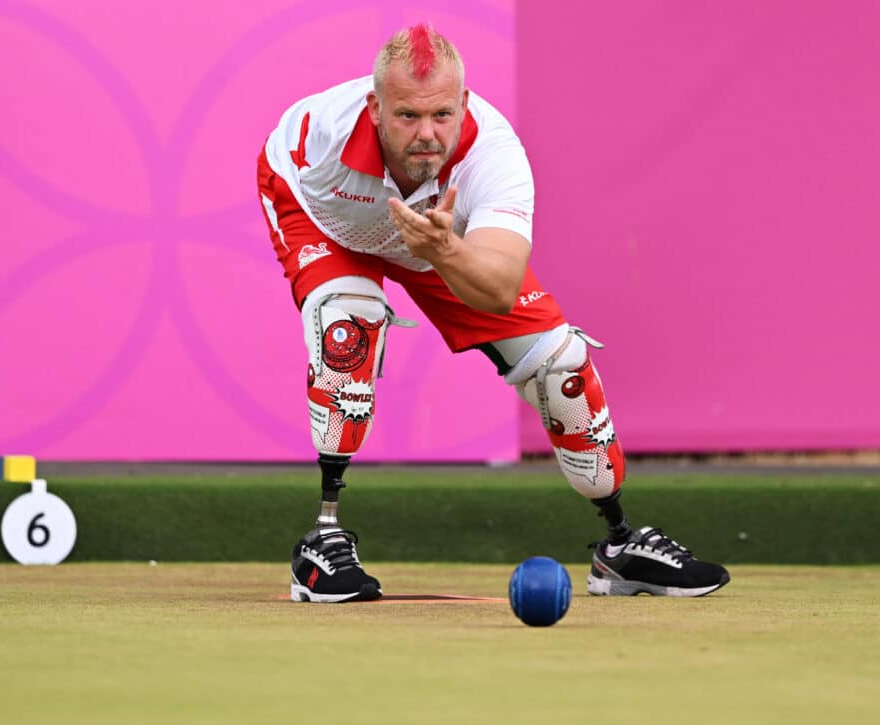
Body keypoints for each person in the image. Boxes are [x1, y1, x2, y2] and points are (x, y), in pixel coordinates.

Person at [256, 24, 729, 602]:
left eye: (442, 115)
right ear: (375, 109)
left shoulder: (495, 155)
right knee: (346, 329)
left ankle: (620, 546)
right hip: (326, 218)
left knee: (563, 369)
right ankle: (322, 542)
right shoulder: (324, 139)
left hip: (435, 238)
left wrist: (443, 249)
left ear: (464, 104)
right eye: (407, 116)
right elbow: (286, 177)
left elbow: (501, 287)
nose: (427, 134)